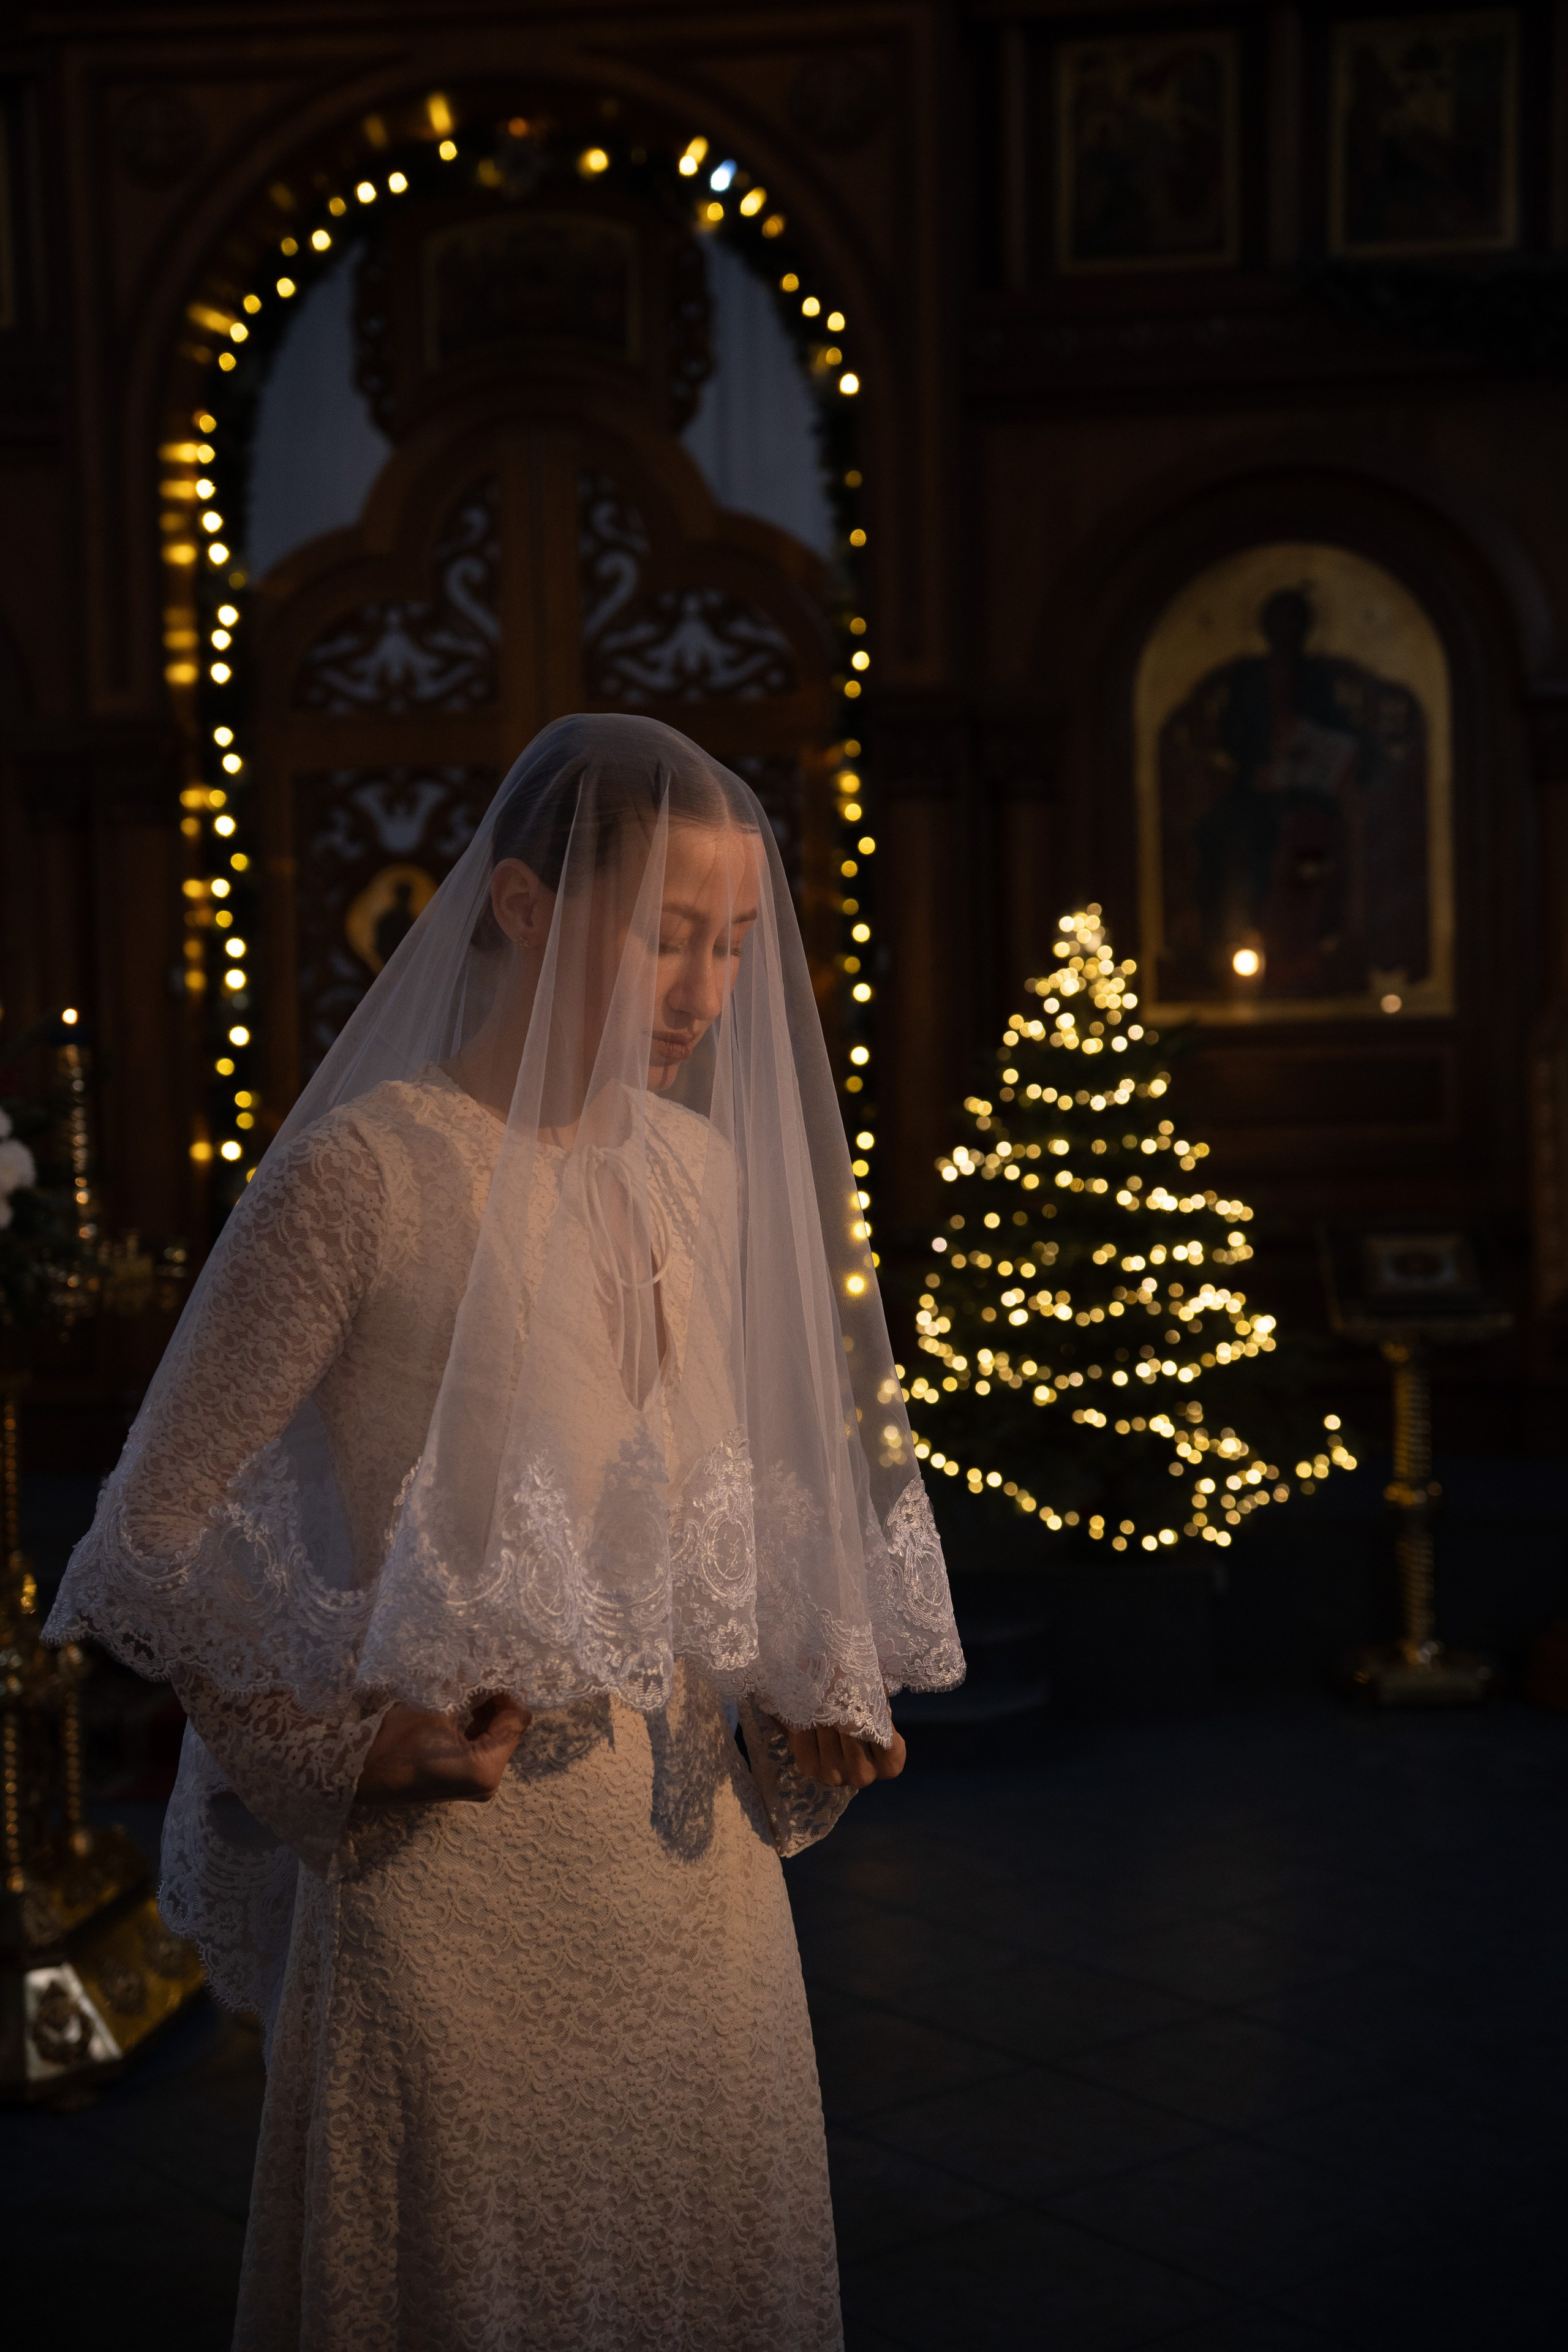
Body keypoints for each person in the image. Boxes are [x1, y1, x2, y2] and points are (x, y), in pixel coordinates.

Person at [48, 714, 963, 2352]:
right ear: (528, 905)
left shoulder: (697, 1170)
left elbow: (694, 1515)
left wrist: (794, 1694)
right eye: (667, 936)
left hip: (698, 1897)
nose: (706, 991)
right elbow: (148, 1539)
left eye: (737, 946)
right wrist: (334, 1749)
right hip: (457, 1902)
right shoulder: (367, 1180)